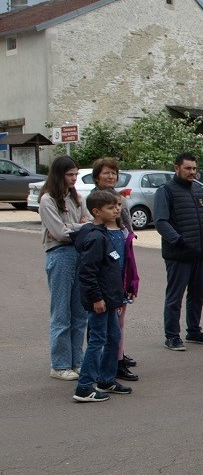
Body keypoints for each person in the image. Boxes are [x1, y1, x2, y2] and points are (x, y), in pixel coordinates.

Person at [80, 157, 140, 381]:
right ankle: (96, 373)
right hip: (104, 279)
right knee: (100, 329)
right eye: (106, 173)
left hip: (120, 266)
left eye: (114, 173)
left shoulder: (118, 202)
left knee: (117, 324)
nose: (111, 177)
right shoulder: (96, 212)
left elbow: (127, 231)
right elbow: (89, 269)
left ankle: (116, 360)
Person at [71, 190, 133, 402]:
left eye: (117, 206)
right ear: (96, 212)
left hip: (110, 298)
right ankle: (84, 387)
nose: (116, 209)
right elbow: (87, 273)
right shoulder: (96, 237)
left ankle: (106, 379)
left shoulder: (105, 233)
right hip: (100, 300)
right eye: (111, 207)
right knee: (97, 340)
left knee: (114, 337)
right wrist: (97, 298)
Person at [154, 152, 203, 351]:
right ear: (176, 168)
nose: (192, 172)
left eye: (194, 168)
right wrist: (178, 241)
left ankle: (194, 331)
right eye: (188, 168)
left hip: (200, 253)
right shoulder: (165, 191)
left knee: (197, 295)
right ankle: (172, 336)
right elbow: (161, 222)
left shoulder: (199, 191)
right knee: (175, 297)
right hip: (179, 255)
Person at [40, 155, 88, 381]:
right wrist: (78, 227)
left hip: (80, 254)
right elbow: (59, 234)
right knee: (61, 313)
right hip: (60, 255)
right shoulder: (48, 200)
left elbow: (89, 226)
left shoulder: (77, 197)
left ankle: (76, 361)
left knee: (80, 313)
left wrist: (72, 227)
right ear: (59, 174)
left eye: (76, 174)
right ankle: (59, 365)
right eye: (70, 174)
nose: (74, 178)